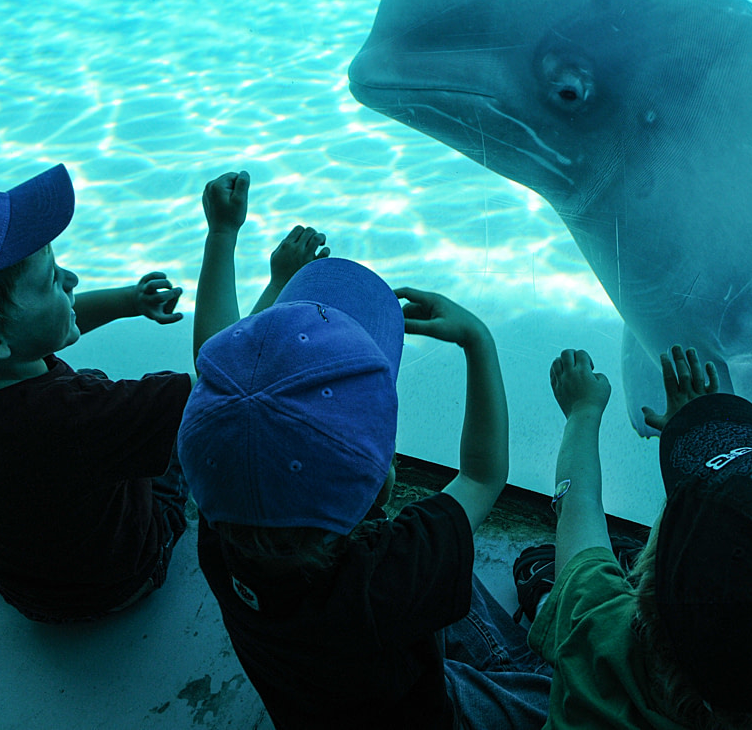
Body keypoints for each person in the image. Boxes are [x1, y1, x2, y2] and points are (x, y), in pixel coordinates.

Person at [0, 164, 320, 623]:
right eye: (51, 279)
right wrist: (235, 243)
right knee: (192, 439)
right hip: (117, 581)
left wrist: (128, 301)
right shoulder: (82, 412)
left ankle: (14, 557)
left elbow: (30, 333)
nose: (71, 280)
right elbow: (224, 381)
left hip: (20, 580)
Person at [177, 224, 552, 728]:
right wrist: (476, 338)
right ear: (387, 483)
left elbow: (219, 372)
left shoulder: (217, 532)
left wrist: (272, 290)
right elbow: (484, 476)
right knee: (559, 695)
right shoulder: (393, 571)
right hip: (423, 715)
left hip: (313, 707)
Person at [520, 345, 752, 730]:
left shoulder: (598, 629)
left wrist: (582, 412)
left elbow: (576, 504)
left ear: (650, 597)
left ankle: (549, 599)